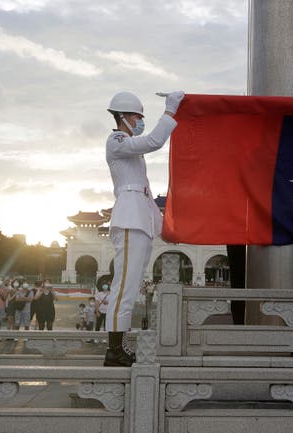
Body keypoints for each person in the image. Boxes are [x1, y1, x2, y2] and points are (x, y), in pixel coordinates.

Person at [103, 90, 184, 366]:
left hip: (140, 220)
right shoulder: (116, 140)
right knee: (124, 285)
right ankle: (113, 350)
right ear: (123, 117)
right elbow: (153, 141)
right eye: (137, 116)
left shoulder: (134, 154)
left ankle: (120, 345)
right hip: (128, 219)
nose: (140, 121)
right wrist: (170, 112)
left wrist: (165, 231)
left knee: (131, 285)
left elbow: (148, 198)